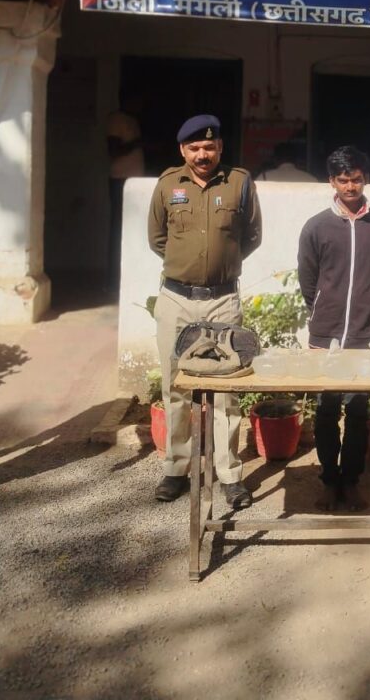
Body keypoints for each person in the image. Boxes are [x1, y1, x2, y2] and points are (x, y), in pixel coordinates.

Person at [148, 114, 261, 508]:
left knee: (228, 389)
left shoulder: (240, 183)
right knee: (175, 384)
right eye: (194, 148)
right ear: (183, 150)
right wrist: (188, 264)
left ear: (220, 148)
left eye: (209, 147)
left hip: (223, 299)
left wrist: (221, 264)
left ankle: (229, 474)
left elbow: (252, 236)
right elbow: (157, 238)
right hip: (176, 298)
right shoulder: (167, 185)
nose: (202, 154)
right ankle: (176, 468)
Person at [297, 145, 370, 512]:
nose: (350, 186)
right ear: (332, 182)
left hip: (365, 335)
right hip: (325, 335)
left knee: (358, 412)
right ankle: (329, 480)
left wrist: (369, 311)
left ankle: (352, 481)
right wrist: (324, 311)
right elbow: (308, 280)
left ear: (365, 179)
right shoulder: (316, 226)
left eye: (356, 179)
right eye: (343, 180)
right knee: (326, 410)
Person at [107, 90, 145, 290]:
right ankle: (114, 280)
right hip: (120, 181)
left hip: (134, 181)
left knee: (134, 230)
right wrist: (137, 143)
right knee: (118, 230)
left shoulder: (133, 121)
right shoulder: (117, 120)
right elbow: (113, 150)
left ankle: (128, 277)